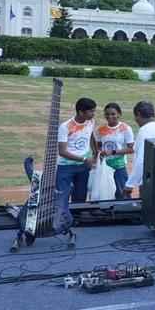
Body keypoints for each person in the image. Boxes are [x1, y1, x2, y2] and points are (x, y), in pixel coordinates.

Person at [54, 97, 97, 234]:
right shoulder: (65, 127)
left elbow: (91, 136)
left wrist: (96, 152)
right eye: (91, 111)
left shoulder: (91, 122)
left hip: (83, 166)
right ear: (80, 112)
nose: (93, 114)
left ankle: (76, 221)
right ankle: (59, 223)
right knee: (62, 195)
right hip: (66, 167)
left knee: (80, 194)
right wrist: (84, 159)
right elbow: (62, 152)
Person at [94, 102, 135, 199]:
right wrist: (100, 153)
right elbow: (98, 146)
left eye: (113, 114)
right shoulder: (101, 129)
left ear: (119, 114)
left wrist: (113, 152)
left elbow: (131, 149)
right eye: (107, 114)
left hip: (119, 165)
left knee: (122, 192)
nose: (110, 116)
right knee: (105, 192)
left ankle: (124, 208)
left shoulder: (125, 128)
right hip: (105, 166)